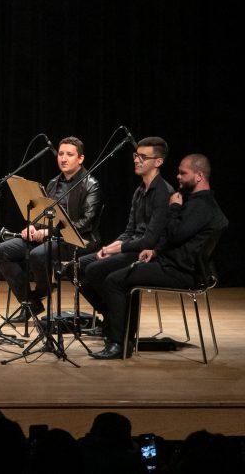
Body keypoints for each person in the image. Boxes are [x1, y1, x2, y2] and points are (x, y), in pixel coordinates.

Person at [91, 154, 227, 359]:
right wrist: (155, 251)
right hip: (175, 265)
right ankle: (122, 336)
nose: (178, 176)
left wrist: (173, 208)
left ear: (199, 176)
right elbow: (179, 240)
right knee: (118, 277)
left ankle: (118, 343)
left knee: (114, 281)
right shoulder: (198, 202)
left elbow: (174, 233)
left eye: (183, 173)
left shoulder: (201, 206)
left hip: (181, 272)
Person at [0, 136, 102, 321]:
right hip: (49, 237)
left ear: (80, 158)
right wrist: (33, 226)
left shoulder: (91, 184)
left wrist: (48, 232)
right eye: (61, 154)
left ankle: (41, 292)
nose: (63, 158)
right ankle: (31, 303)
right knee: (0, 251)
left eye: (69, 154)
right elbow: (44, 213)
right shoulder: (53, 183)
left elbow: (86, 223)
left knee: (38, 254)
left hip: (77, 240)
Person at [78, 137, 172, 322]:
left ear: (158, 162)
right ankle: (109, 314)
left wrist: (112, 249)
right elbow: (129, 231)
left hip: (147, 253)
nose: (136, 160)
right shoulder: (139, 191)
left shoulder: (163, 193)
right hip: (131, 247)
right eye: (136, 155)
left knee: (95, 270)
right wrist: (109, 248)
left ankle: (116, 322)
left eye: (143, 157)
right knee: (77, 266)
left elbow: (149, 240)